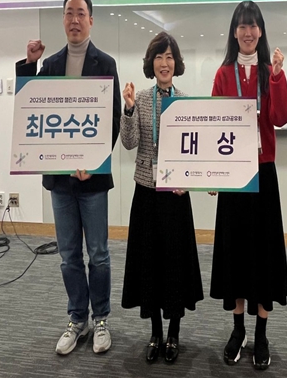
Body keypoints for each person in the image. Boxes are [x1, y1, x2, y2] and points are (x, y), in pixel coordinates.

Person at [16, 0, 121, 356]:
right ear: (63, 19)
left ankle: (101, 318)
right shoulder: (50, 64)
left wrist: (93, 162)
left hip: (92, 179)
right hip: (60, 180)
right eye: (68, 13)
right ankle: (78, 319)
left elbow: (112, 120)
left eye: (80, 13)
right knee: (68, 256)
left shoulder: (105, 64)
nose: (74, 19)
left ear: (91, 20)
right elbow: (30, 107)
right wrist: (29, 64)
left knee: (99, 253)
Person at [210, 0, 287, 370]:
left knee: (263, 255)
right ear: (234, 32)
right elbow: (213, 126)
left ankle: (261, 334)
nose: (247, 32)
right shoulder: (223, 74)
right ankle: (238, 330)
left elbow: (281, 116)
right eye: (242, 26)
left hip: (263, 173)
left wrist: (277, 76)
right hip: (232, 178)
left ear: (261, 31)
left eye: (253, 25)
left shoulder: (268, 72)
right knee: (236, 256)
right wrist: (213, 173)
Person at [120, 32, 203, 364]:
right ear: (151, 63)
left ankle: (174, 334)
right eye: (158, 57)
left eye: (169, 57)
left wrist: (190, 179)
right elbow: (129, 143)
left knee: (175, 265)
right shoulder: (141, 98)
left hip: (175, 196)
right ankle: (155, 332)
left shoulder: (185, 101)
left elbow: (193, 150)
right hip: (146, 193)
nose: (164, 63)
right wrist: (128, 110)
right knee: (149, 264)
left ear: (176, 62)